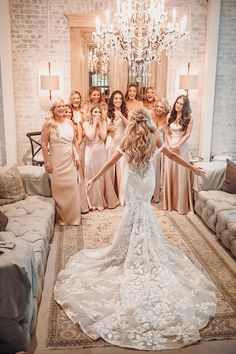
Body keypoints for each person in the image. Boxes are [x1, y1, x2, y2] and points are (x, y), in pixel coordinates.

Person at [54, 107, 216, 351]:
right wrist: (192, 168)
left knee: (133, 213)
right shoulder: (154, 135)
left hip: (134, 180)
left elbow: (112, 161)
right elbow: (171, 156)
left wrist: (95, 177)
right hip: (146, 180)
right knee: (143, 212)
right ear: (148, 120)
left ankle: (129, 248)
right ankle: (138, 248)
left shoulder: (129, 137)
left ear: (132, 123)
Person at [41, 98, 81, 225]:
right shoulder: (48, 123)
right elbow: (44, 144)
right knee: (59, 191)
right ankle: (62, 219)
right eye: (58, 106)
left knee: (72, 188)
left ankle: (74, 219)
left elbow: (75, 142)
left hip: (69, 161)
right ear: (53, 109)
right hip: (56, 162)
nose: (62, 108)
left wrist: (78, 156)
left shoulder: (69, 123)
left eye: (63, 106)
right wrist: (47, 162)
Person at [163, 95, 194, 214]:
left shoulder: (189, 117)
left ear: (185, 106)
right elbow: (167, 132)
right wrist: (171, 145)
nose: (178, 105)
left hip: (182, 148)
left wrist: (177, 146)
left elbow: (187, 134)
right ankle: (170, 203)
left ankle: (180, 205)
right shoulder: (170, 115)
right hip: (170, 146)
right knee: (170, 171)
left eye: (181, 104)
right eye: (177, 103)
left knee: (180, 173)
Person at [105, 90, 128, 208]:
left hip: (121, 142)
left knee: (121, 168)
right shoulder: (107, 112)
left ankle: (122, 196)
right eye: (116, 98)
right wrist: (108, 129)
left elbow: (130, 126)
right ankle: (110, 196)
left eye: (120, 98)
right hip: (111, 141)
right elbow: (103, 129)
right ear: (112, 100)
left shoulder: (125, 112)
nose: (118, 100)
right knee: (109, 167)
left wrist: (121, 116)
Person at [65, 104, 89, 213]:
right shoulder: (59, 125)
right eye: (66, 112)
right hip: (64, 152)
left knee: (78, 177)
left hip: (75, 150)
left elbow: (79, 139)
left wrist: (72, 148)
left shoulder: (76, 124)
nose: (68, 114)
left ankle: (81, 205)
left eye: (70, 112)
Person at [83, 105, 108, 211]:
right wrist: (94, 124)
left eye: (99, 112)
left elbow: (103, 137)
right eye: (95, 112)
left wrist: (100, 125)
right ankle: (90, 202)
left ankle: (100, 201)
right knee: (90, 174)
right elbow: (91, 137)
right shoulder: (85, 124)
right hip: (90, 152)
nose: (97, 114)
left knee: (100, 175)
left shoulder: (104, 123)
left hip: (101, 152)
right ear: (91, 113)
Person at [151, 98, 170, 203]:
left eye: (161, 107)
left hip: (160, 147)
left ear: (165, 109)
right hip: (150, 145)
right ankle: (148, 193)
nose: (158, 108)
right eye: (157, 106)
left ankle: (156, 194)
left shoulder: (167, 118)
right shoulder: (150, 114)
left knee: (157, 170)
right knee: (149, 170)